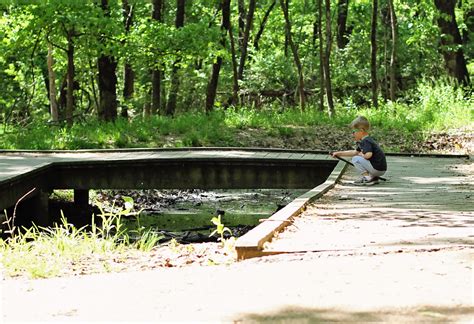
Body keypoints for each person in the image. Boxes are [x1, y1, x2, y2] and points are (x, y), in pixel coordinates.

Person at [331, 116, 387, 185]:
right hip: (380, 169)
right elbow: (354, 152)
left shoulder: (366, 141)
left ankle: (367, 178)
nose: (353, 134)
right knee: (356, 156)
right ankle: (373, 177)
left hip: (377, 168)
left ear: (361, 131)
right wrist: (338, 153)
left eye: (354, 131)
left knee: (355, 159)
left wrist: (361, 155)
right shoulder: (366, 140)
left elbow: (368, 155)